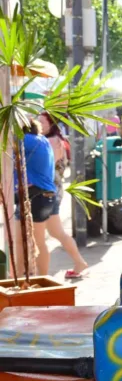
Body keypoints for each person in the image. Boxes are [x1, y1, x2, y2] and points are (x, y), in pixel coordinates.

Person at [38, 113, 88, 279]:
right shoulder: (52, 140)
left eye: (41, 121)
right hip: (50, 191)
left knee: (41, 235)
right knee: (56, 232)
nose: (38, 124)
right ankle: (79, 262)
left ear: (51, 124)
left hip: (48, 192)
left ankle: (38, 274)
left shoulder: (52, 141)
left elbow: (45, 166)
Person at [14, 118, 57, 277]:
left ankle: (39, 279)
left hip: (37, 196)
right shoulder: (40, 140)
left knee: (33, 242)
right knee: (25, 241)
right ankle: (22, 277)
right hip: (41, 195)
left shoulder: (27, 140)